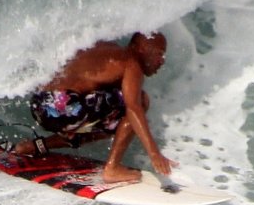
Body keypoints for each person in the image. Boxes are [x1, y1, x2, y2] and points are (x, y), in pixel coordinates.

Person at [13, 31, 177, 183]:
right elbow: (134, 108)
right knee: (140, 100)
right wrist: (154, 154)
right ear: (141, 49)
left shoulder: (104, 51)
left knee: (106, 120)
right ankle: (112, 168)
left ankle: (34, 147)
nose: (161, 61)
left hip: (40, 104)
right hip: (64, 109)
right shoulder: (131, 61)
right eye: (159, 53)